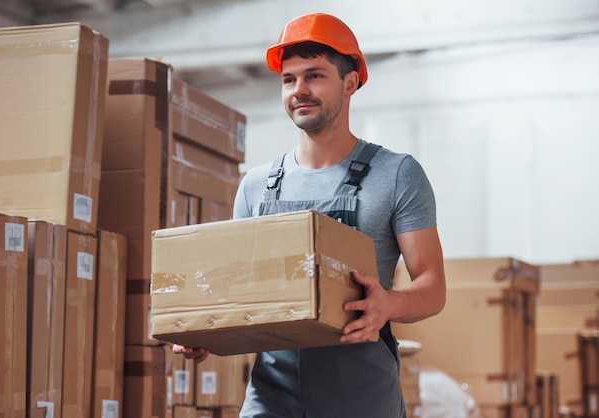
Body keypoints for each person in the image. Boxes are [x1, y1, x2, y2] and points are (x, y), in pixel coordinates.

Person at [173, 12, 446, 417]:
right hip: (272, 395)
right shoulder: (256, 185)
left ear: (350, 82)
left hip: (362, 395)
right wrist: (207, 329)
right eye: (289, 79)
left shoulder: (396, 174)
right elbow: (240, 293)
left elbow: (433, 286)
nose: (299, 90)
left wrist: (386, 305)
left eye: (314, 76)